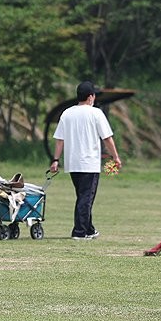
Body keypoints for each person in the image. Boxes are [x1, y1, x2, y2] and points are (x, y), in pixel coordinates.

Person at [50, 81, 123, 240]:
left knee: (83, 197)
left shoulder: (67, 113)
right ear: (91, 97)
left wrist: (55, 159)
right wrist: (115, 157)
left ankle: (89, 230)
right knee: (86, 198)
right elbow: (107, 138)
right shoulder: (96, 113)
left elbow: (59, 140)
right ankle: (79, 232)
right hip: (89, 163)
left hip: (72, 163)